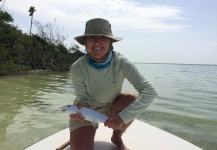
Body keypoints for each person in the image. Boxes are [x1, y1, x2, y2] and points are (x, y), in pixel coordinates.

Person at [69, 18, 157, 150]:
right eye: (92, 37)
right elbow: (83, 99)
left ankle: (116, 137)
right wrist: (82, 112)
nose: (97, 42)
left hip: (113, 106)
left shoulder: (122, 63)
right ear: (85, 42)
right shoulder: (77, 67)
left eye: (103, 37)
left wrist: (123, 117)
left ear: (110, 42)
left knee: (130, 99)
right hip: (89, 108)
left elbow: (150, 91)